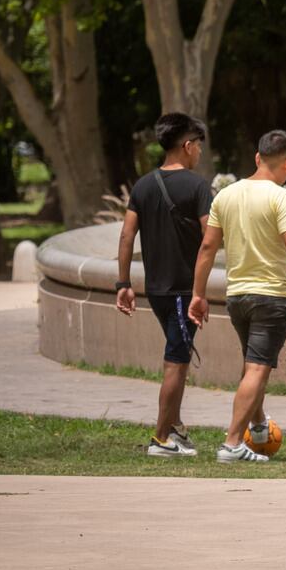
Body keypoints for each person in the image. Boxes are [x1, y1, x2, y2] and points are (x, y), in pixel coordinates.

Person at [188, 129, 286, 463]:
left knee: (251, 366)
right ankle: (231, 444)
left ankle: (257, 427)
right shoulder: (280, 197)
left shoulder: (225, 196)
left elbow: (208, 247)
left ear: (258, 158)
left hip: (237, 296)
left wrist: (198, 294)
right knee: (257, 369)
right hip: (271, 296)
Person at [116, 113, 213, 457]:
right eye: (198, 145)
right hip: (181, 291)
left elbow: (127, 234)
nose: (200, 151)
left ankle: (175, 428)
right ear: (187, 146)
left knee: (178, 355)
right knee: (176, 362)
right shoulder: (198, 186)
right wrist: (200, 291)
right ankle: (161, 439)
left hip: (156, 290)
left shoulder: (143, 185)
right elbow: (209, 239)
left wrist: (123, 282)